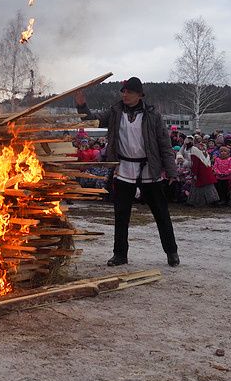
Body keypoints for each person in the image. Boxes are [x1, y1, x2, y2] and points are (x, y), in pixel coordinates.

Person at [74, 77, 180, 267]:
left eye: (129, 92)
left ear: (139, 95)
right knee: (121, 214)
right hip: (124, 168)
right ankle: (120, 254)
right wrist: (82, 106)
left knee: (161, 213)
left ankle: (171, 252)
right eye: (123, 91)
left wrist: (171, 171)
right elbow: (94, 122)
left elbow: (164, 144)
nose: (125, 95)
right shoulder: (115, 111)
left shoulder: (152, 114)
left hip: (149, 169)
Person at [187, 142, 219, 208]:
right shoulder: (206, 154)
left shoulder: (196, 155)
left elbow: (195, 165)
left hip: (201, 173)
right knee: (208, 187)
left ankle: (196, 201)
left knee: (199, 188)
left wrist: (194, 174)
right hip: (206, 173)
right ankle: (212, 201)